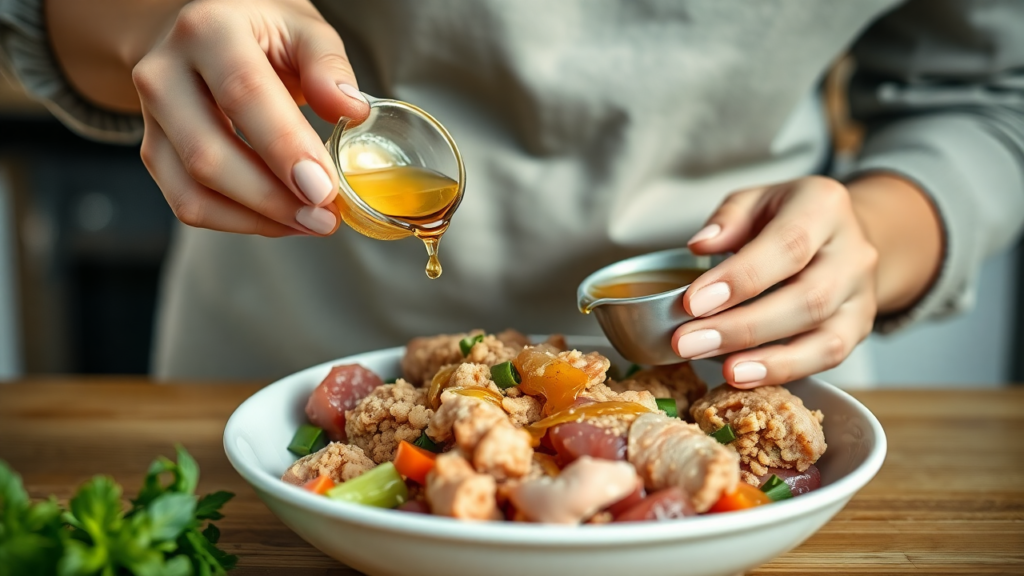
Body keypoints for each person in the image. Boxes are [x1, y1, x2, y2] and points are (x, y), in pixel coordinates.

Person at [1, 0, 1022, 385]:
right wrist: (150, 23)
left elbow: (990, 96)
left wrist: (873, 243)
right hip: (284, 351)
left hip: (733, 367)